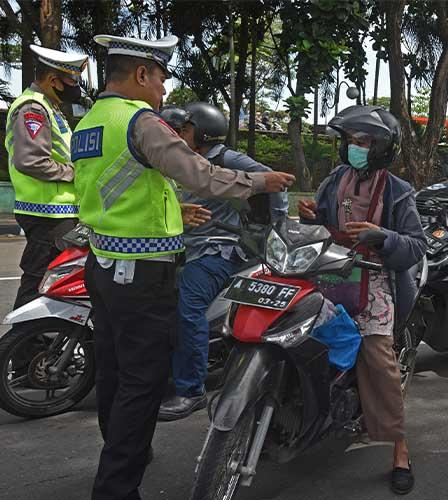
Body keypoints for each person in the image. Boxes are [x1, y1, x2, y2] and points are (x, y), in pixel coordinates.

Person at [70, 34, 295, 500]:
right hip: (142, 273)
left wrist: (179, 212)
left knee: (113, 369)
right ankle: (116, 486)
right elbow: (198, 173)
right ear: (141, 75)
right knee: (142, 380)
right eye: (161, 79)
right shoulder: (140, 120)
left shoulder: (89, 122)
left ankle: (124, 447)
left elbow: (128, 187)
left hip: (103, 264)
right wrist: (259, 181)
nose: (164, 90)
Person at [297, 105, 425, 495]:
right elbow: (321, 220)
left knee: (377, 357)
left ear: (383, 147)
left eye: (363, 142)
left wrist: (380, 236)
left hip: (375, 278)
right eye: (351, 140)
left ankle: (399, 447)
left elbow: (416, 246)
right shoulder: (336, 179)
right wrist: (310, 216)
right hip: (329, 271)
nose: (354, 148)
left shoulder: (399, 192)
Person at [157, 102, 289, 421]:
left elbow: (273, 182)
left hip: (218, 248)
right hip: (183, 246)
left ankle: (191, 391)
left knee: (189, 310)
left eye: (185, 130)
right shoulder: (183, 159)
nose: (179, 135)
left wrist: (276, 224)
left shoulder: (226, 159)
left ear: (203, 133)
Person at [5, 45, 88, 309]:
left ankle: (41, 343)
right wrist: (75, 174)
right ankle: (22, 347)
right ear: (53, 80)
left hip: (57, 212)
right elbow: (31, 160)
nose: (76, 87)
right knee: (38, 281)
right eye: (72, 81)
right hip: (45, 213)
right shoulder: (33, 108)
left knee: (57, 280)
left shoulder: (50, 107)